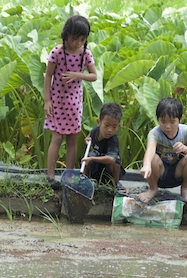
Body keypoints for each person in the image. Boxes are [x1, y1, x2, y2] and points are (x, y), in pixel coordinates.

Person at [44, 15, 97, 181]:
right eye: (75, 39)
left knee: (72, 138)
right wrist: (47, 100)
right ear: (67, 35)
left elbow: (94, 76)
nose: (78, 43)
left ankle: (69, 175)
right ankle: (50, 175)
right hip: (57, 101)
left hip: (74, 103)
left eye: (82, 39)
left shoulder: (85, 54)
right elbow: (48, 77)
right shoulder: (57, 52)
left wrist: (78, 75)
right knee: (57, 137)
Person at [138, 97, 187, 203]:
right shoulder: (155, 133)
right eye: (163, 121)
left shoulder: (186, 131)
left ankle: (185, 189)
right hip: (160, 173)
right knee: (152, 158)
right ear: (158, 120)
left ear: (180, 119)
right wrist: (147, 165)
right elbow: (150, 149)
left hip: (178, 172)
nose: (168, 126)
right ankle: (153, 188)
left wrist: (185, 149)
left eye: (172, 122)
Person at [81, 102, 126, 193]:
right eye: (106, 125)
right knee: (87, 158)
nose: (110, 130)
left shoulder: (113, 140)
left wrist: (92, 158)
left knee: (115, 160)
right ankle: (85, 181)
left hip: (108, 170)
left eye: (114, 127)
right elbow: (90, 136)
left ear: (118, 126)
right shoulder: (95, 131)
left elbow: (111, 159)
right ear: (99, 122)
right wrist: (86, 140)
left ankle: (115, 184)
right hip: (97, 167)